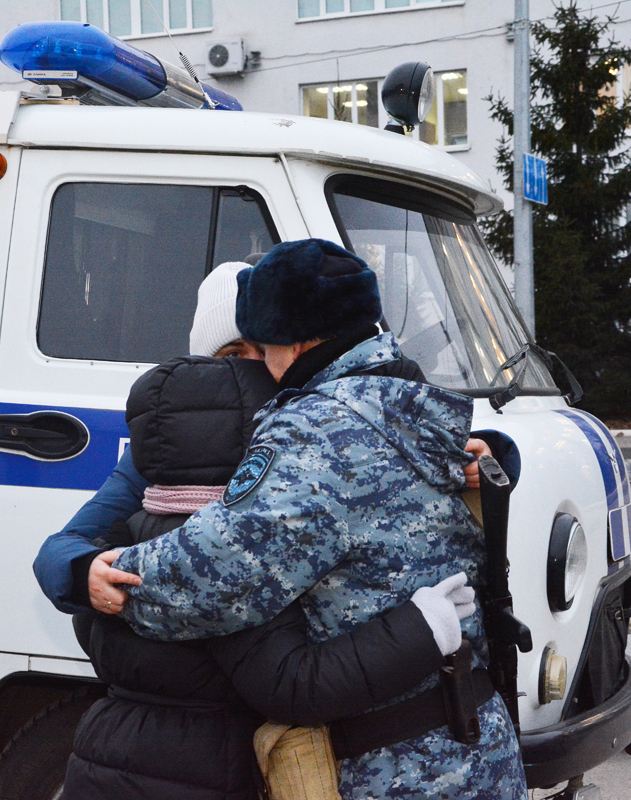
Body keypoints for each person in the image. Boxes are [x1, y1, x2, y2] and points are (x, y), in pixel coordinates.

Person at [100, 239, 528, 799]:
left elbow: (218, 576)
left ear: (294, 341)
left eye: (263, 348)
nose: (264, 369)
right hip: (481, 752)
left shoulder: (317, 432)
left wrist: (113, 578)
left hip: (402, 771)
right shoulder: (408, 398)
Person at [63, 354, 474, 800]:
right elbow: (293, 685)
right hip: (206, 772)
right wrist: (423, 628)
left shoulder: (123, 536)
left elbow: (86, 622)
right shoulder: (230, 555)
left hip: (103, 755)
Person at [32, 261, 488, 616]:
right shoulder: (164, 451)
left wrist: (481, 458)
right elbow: (62, 544)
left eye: (261, 349)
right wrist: (82, 573)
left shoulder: (320, 427)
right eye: (233, 354)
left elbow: (418, 440)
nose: (252, 366)